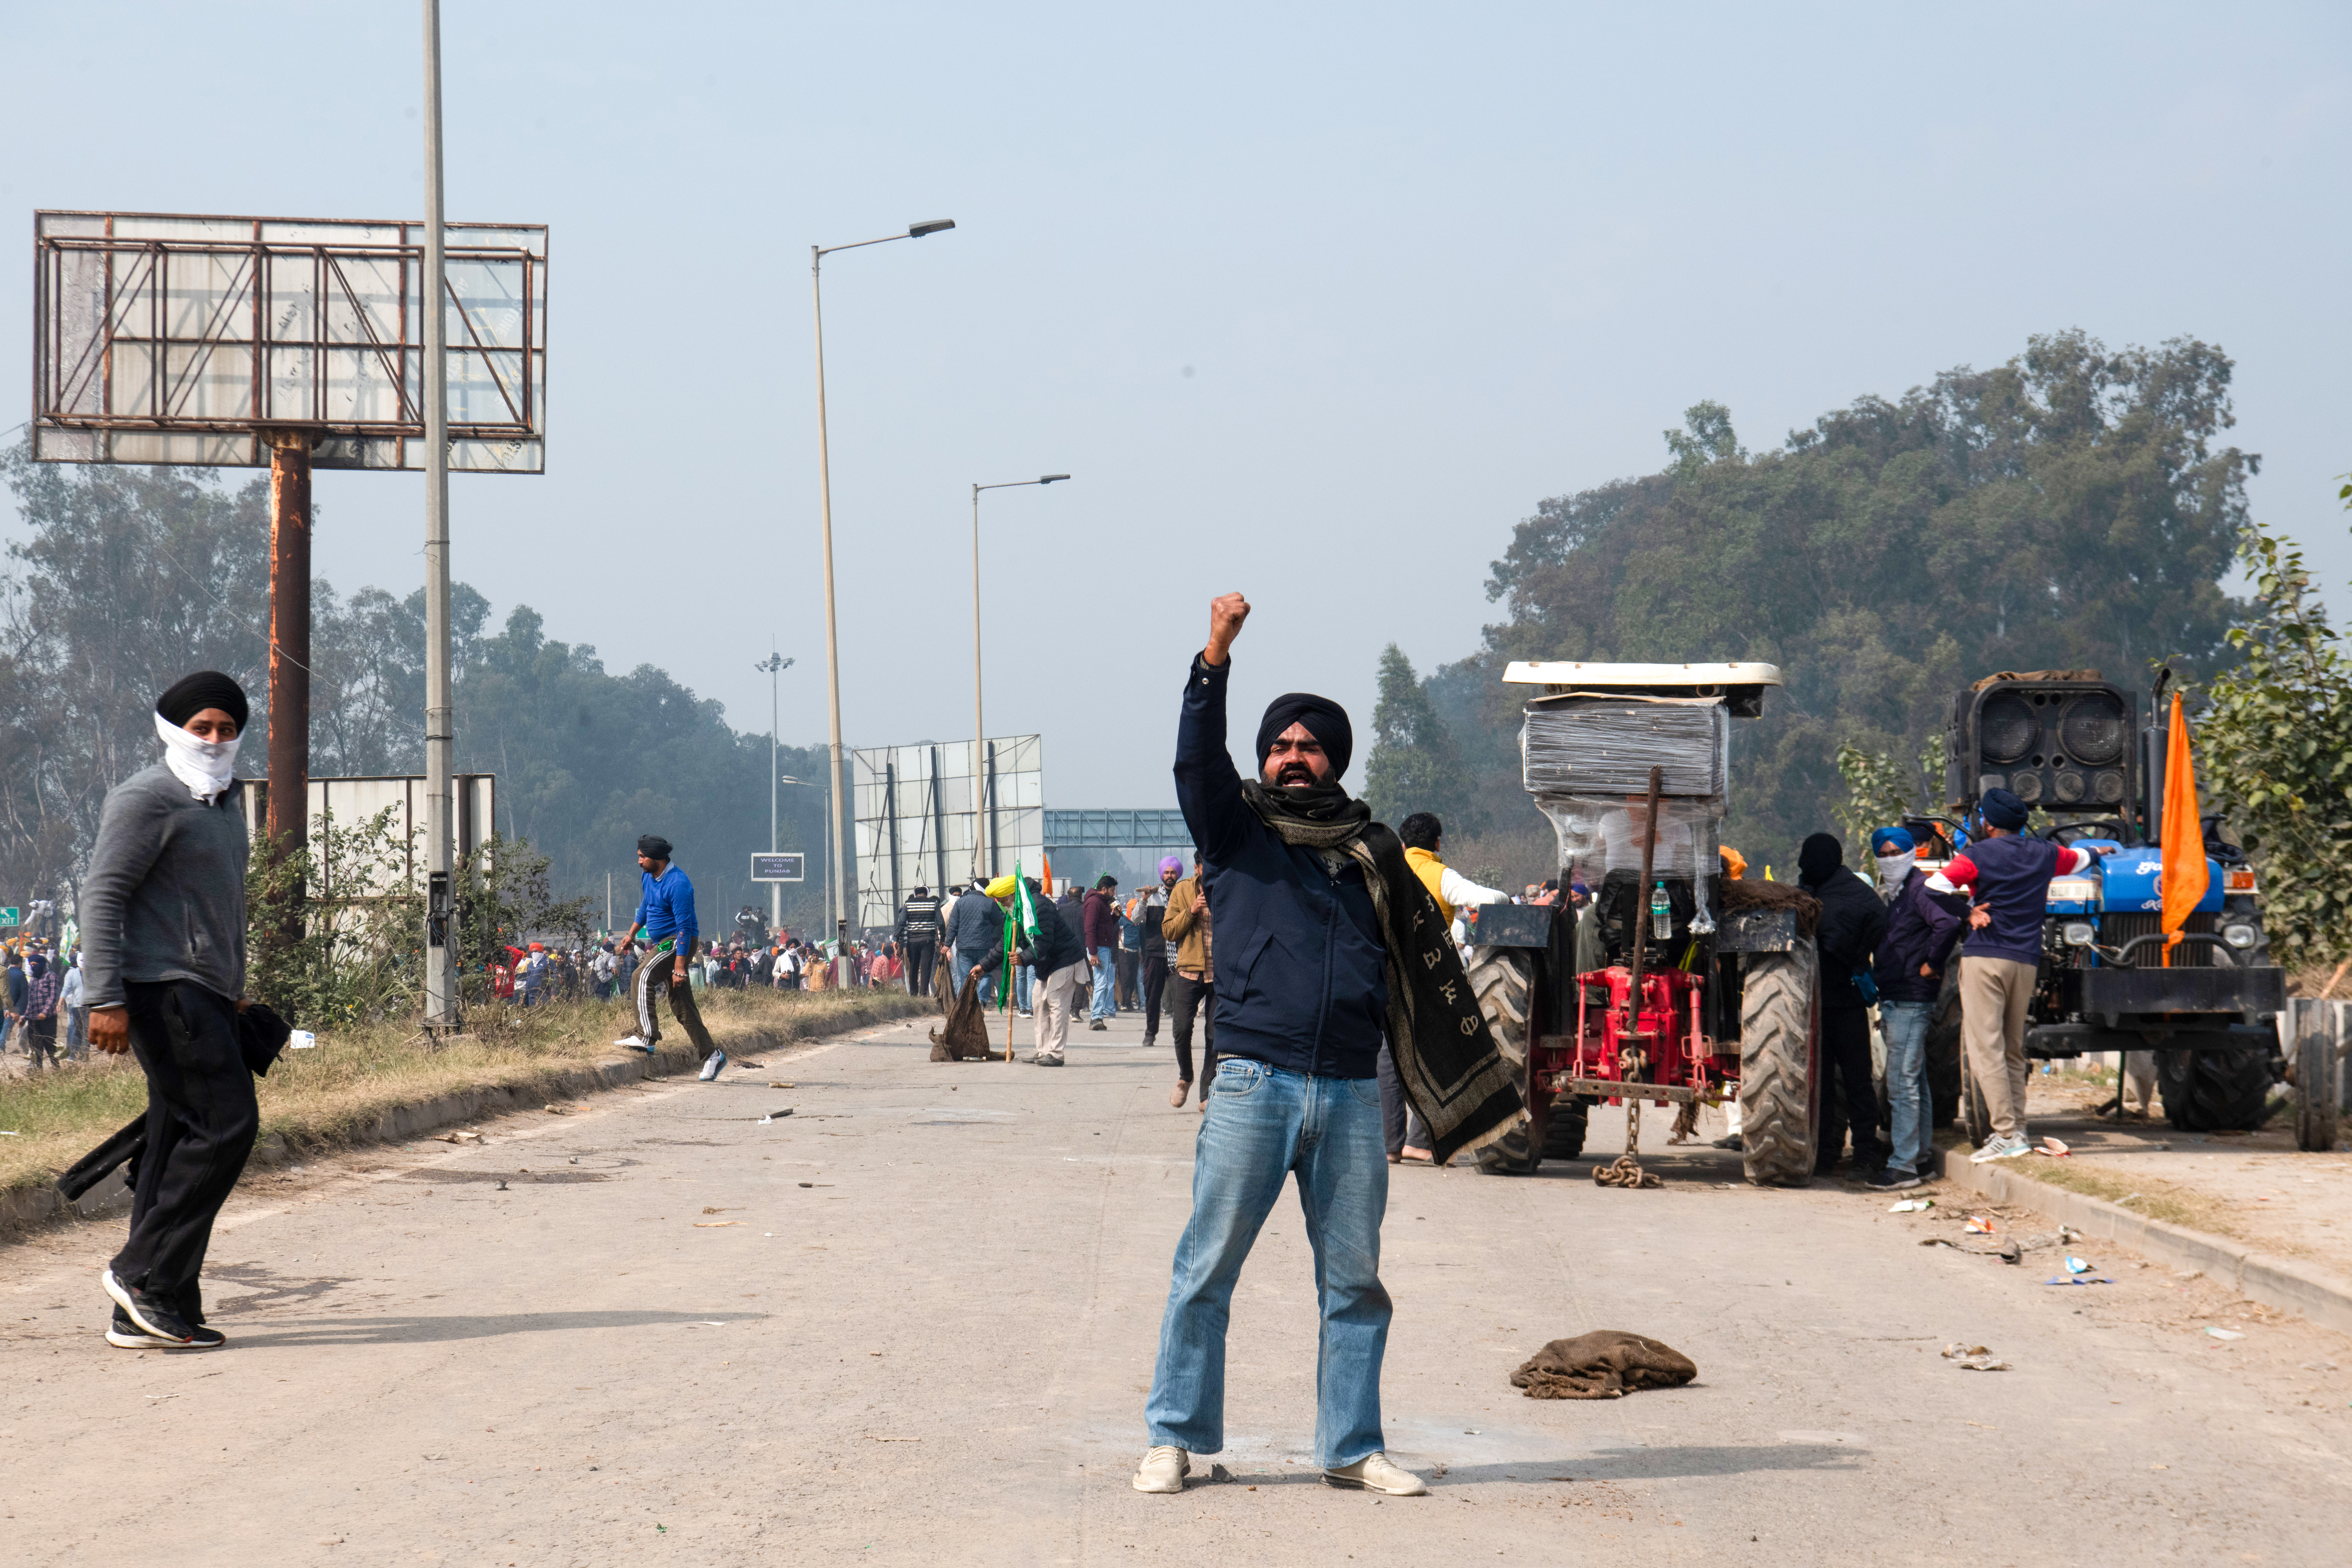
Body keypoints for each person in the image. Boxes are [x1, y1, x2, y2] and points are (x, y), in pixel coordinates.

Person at [1136, 590, 1516, 1502]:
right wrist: (1214, 658)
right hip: (1253, 1082)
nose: (1293, 757)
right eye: (1280, 745)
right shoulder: (1236, 834)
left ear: (1335, 760)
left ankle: (1351, 1445)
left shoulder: (1374, 852)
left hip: (1349, 1091)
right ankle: (1174, 1438)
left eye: (1309, 746)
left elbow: (1420, 972)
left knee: (1354, 1283)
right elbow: (1196, 759)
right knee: (1205, 1271)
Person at [85, 671, 256, 1349]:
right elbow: (102, 896)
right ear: (172, 730)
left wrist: (235, 988)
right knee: (225, 1126)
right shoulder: (146, 798)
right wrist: (105, 997)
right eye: (201, 728)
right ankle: (141, 1272)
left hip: (208, 992)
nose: (214, 740)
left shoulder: (223, 801)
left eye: (226, 728)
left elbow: (220, 907)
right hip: (163, 989)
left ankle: (156, 1306)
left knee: (172, 1139)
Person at [1939, 788, 2112, 1162]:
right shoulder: (2046, 854)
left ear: (1987, 823)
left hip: (1986, 956)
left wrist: (1966, 913)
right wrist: (2104, 851)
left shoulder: (1978, 855)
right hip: (2026, 960)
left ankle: (2006, 1134)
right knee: (2014, 1048)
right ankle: (2017, 1128)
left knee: (1986, 1049)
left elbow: (1936, 886)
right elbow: (2082, 857)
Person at [1382, 813, 1508, 1163]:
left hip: (1386, 979)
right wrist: (1510, 901)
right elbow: (1492, 899)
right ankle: (1421, 1139)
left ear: (1403, 844)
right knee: (1442, 1057)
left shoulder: (1386, 870)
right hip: (1432, 983)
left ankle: (1391, 1144)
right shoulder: (1441, 875)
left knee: (1389, 1059)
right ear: (1437, 844)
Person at [1867, 826, 1967, 1191]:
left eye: (1898, 852)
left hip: (1911, 996)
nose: (1891, 859)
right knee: (1917, 1079)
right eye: (1885, 853)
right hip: (1899, 994)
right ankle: (1921, 1157)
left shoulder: (1919, 889)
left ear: (1912, 853)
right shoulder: (1896, 895)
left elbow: (1948, 923)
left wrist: (1933, 963)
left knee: (1901, 1082)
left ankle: (1903, 1164)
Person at [1798, 833, 1889, 1179]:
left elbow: (1879, 929)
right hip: (1817, 1005)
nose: (1803, 866)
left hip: (1845, 1002)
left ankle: (1865, 1153)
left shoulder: (1854, 895)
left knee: (1856, 1082)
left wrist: (1855, 958)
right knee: (1820, 1085)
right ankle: (1826, 1152)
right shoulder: (1807, 891)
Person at [615, 834, 725, 1081]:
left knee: (641, 977)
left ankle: (646, 1037)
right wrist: (631, 934)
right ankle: (712, 1054)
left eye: (643, 857)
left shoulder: (679, 884)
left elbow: (685, 927)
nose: (639, 862)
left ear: (657, 858)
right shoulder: (648, 876)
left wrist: (679, 967)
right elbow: (646, 906)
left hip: (678, 942)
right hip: (664, 943)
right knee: (682, 1005)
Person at [996, 873, 1087, 1065]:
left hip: (1064, 960)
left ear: (1012, 895)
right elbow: (1003, 945)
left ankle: (1056, 1054)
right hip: (1046, 964)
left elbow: (1044, 942)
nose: (1003, 905)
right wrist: (983, 966)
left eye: (1004, 900)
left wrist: (1022, 959)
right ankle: (1044, 1051)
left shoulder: (1039, 906)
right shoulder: (1017, 911)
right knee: (1038, 1003)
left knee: (1056, 1004)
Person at [1162, 852, 1214, 1108]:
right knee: (1182, 1029)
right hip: (1187, 972)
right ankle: (1186, 1077)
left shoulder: (1229, 888)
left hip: (1220, 975)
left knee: (1215, 1035)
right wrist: (1192, 910)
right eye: (1207, 867)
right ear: (1197, 868)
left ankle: (1207, 1092)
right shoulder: (1182, 891)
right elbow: (1169, 931)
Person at [1138, 856, 1180, 1051]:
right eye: (1167, 872)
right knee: (1152, 996)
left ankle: (1180, 1034)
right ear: (1162, 875)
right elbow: (1136, 918)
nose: (1170, 876)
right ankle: (1150, 1033)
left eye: (1173, 873)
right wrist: (1144, 900)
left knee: (1182, 998)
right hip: (1154, 954)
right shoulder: (1152, 897)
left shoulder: (1183, 895)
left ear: (1178, 874)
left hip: (1178, 956)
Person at [944, 880, 1006, 1008]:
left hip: (964, 947)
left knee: (967, 977)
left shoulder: (960, 902)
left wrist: (948, 945)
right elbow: (997, 921)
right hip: (984, 946)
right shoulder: (990, 902)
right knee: (985, 974)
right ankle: (982, 1001)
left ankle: (967, 1006)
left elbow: (953, 926)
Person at [1085, 875, 1121, 1029]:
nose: (1114, 894)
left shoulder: (1103, 903)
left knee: (1104, 982)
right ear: (1104, 890)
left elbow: (1105, 925)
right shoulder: (1094, 903)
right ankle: (1096, 1018)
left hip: (1103, 947)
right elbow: (1090, 929)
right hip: (1099, 948)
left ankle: (1097, 1015)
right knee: (1101, 982)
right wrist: (1093, 952)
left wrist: (1116, 917)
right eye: (1112, 891)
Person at [897, 885, 944, 998]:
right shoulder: (934, 903)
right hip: (928, 941)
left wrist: (897, 939)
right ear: (926, 894)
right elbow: (941, 923)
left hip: (912, 941)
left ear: (915, 894)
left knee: (913, 967)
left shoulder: (908, 904)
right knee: (926, 967)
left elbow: (902, 923)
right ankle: (924, 994)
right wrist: (943, 938)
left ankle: (913, 994)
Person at [24, 952, 61, 1072]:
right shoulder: (33, 980)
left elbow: (53, 997)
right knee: (36, 1047)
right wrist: (25, 1017)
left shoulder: (52, 977)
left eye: (35, 964)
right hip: (34, 1020)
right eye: (31, 965)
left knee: (50, 1045)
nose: (33, 967)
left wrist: (45, 1012)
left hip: (48, 1019)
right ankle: (38, 1072)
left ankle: (56, 1069)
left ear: (42, 964)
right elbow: (31, 1001)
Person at [1116, 887, 1145, 1011]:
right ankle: (1124, 1003)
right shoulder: (1122, 920)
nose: (1135, 911)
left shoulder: (1139, 922)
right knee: (1125, 977)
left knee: (1133, 978)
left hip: (1135, 952)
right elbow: (1117, 933)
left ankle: (1129, 1003)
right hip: (1124, 951)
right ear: (1129, 909)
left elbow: (1139, 938)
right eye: (1133, 909)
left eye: (1136, 909)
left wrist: (1139, 953)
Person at [61, 949, 88, 1062]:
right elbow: (67, 989)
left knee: (82, 1030)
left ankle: (81, 1054)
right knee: (76, 1029)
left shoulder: (87, 972)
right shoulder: (71, 973)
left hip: (83, 1005)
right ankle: (72, 1053)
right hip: (74, 1005)